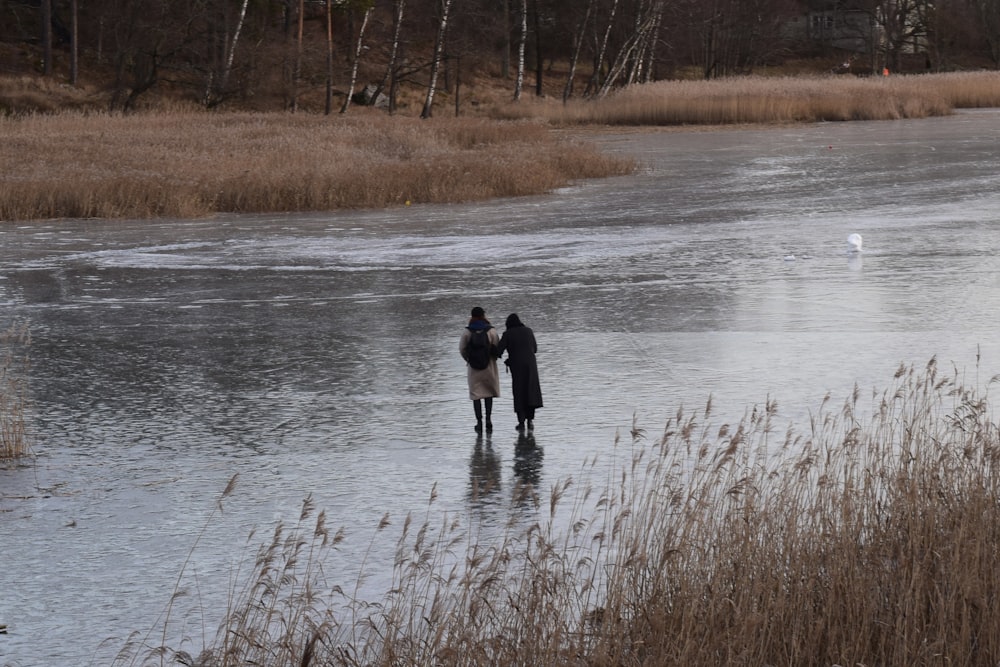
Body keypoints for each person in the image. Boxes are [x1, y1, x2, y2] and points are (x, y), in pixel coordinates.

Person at [496, 313, 543, 431]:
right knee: (530, 391)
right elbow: (535, 349)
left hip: (517, 368)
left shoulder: (508, 334)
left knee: (519, 392)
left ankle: (521, 422)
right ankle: (530, 421)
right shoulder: (528, 331)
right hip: (531, 366)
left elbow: (498, 351)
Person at [459, 306, 501, 433]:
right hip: (489, 366)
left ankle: (479, 422)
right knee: (488, 393)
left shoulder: (467, 332)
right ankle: (488, 419)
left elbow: (462, 349)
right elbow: (497, 347)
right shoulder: (491, 331)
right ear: (484, 315)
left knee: (476, 395)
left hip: (474, 369)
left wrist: (469, 360)